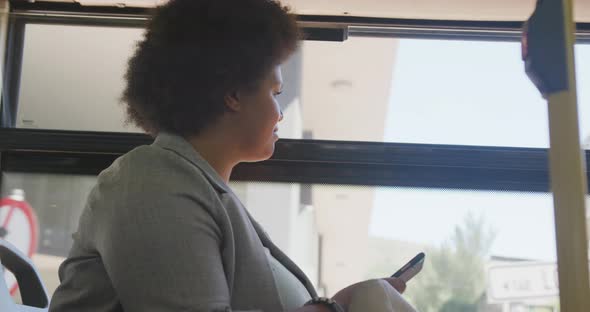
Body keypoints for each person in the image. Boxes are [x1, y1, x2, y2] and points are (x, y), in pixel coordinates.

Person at [48, 0, 409, 311]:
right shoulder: (148, 180)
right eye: (275, 92)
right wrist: (339, 307)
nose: (280, 113)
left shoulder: (205, 194)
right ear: (233, 93)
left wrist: (339, 302)